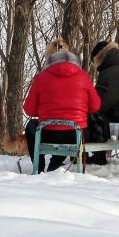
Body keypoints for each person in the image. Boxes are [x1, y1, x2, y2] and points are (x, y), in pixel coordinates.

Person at [23, 38, 101, 173]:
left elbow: (29, 110)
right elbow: (96, 106)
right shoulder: (83, 76)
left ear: (49, 58)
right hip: (76, 134)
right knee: (82, 125)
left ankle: (38, 168)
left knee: (31, 126)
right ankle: (54, 166)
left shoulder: (41, 78)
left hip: (48, 133)